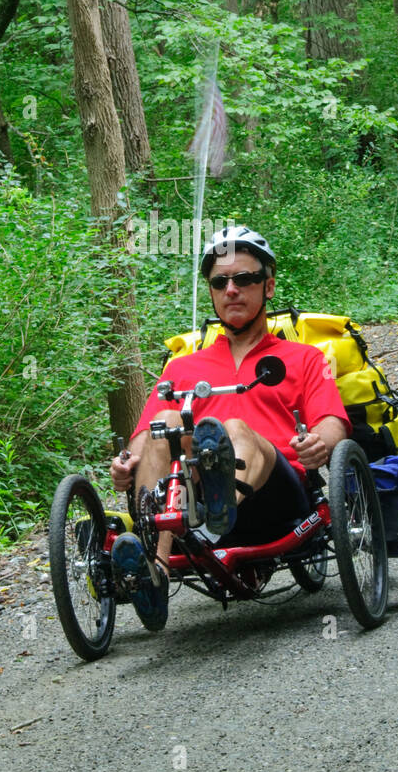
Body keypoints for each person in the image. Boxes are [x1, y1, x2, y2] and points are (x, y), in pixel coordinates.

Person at [109, 226, 351, 630]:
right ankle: (155, 570)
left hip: (278, 498)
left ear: (268, 286)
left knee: (234, 429)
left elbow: (332, 423)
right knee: (166, 423)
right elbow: (143, 437)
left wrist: (319, 445)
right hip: (194, 500)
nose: (232, 289)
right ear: (211, 292)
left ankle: (224, 508)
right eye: (220, 282)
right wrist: (126, 463)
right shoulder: (182, 368)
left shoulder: (305, 357)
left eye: (245, 279)